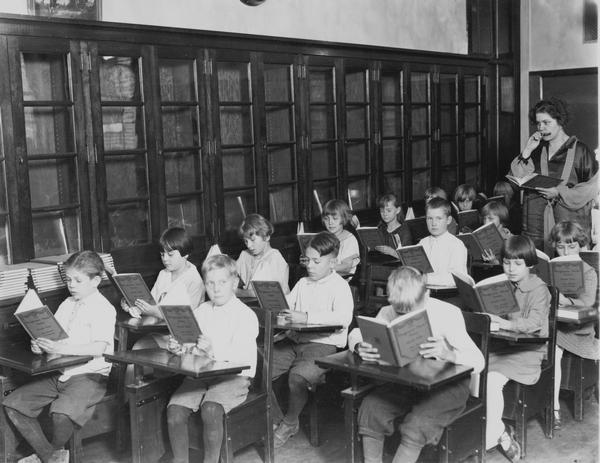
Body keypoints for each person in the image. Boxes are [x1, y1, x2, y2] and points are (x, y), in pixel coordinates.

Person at [348, 266, 484, 463]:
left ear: (426, 295)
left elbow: (478, 361)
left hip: (449, 387)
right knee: (371, 409)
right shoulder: (388, 310)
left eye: (412, 311)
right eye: (399, 311)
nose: (404, 316)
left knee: (418, 423)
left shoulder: (448, 313)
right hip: (408, 382)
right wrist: (359, 345)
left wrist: (449, 354)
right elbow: (358, 333)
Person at [3, 251, 116, 463]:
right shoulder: (67, 304)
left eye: (78, 280)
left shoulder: (104, 308)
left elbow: (99, 347)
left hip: (90, 375)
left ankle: (48, 455)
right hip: (60, 371)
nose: (71, 284)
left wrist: (59, 348)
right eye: (68, 279)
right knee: (13, 404)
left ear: (96, 281)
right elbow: (54, 337)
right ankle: (51, 457)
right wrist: (41, 346)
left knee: (60, 414)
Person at [165, 255, 258, 463]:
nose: (216, 289)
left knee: (211, 408)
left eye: (222, 283)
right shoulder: (201, 311)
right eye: (210, 283)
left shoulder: (245, 315)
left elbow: (242, 358)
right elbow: (190, 347)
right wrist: (178, 347)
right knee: (175, 410)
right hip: (202, 376)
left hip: (234, 378)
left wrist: (212, 350)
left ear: (234, 283)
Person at [272, 231, 353, 448]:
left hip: (323, 345)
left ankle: (288, 423)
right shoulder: (302, 283)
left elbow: (343, 318)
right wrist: (279, 308)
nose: (310, 266)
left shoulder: (340, 286)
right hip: (294, 340)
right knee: (263, 365)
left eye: (317, 261)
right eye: (308, 260)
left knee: (298, 377)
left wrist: (306, 317)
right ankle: (277, 418)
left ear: (333, 262)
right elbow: (287, 306)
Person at [484, 235, 551, 462]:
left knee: (491, 381)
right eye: (506, 262)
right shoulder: (503, 285)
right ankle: (500, 431)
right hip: (504, 346)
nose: (510, 269)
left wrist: (506, 324)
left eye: (517, 264)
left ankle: (493, 437)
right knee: (473, 373)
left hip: (527, 352)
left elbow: (534, 324)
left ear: (530, 264)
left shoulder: (539, 289)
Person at [509, 98, 599, 251]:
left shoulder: (581, 150)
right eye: (538, 123)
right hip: (536, 226)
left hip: (570, 226)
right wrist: (527, 151)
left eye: (546, 122)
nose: (541, 128)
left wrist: (559, 192)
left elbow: (592, 188)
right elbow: (516, 179)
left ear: (560, 121)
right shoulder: (537, 149)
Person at [549, 221, 598, 429]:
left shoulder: (588, 271)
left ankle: (554, 408)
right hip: (555, 322)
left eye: (571, 246)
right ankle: (548, 401)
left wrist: (565, 301)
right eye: (561, 246)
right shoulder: (552, 267)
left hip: (578, 329)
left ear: (580, 245)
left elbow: (587, 304)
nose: (566, 251)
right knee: (548, 347)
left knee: (554, 349)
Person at [122, 227, 205, 349]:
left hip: (184, 341)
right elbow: (151, 302)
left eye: (170, 254)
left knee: (139, 351)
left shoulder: (194, 280)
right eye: (162, 254)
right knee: (137, 349)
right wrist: (132, 304)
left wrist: (154, 311)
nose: (165, 259)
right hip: (161, 332)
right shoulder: (163, 274)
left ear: (186, 254)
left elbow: (186, 320)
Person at [236, 213, 290, 297]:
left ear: (266, 237)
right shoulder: (245, 255)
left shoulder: (274, 258)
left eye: (252, 240)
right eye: (246, 241)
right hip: (251, 304)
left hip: (274, 307)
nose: (249, 245)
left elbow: (260, 293)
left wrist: (236, 292)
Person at [418, 197, 468, 287]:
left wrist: (426, 279)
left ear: (448, 220)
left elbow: (457, 279)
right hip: (422, 292)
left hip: (448, 296)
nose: (433, 223)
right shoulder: (422, 243)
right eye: (430, 218)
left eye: (439, 218)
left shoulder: (456, 245)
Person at [321, 199, 360, 276]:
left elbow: (346, 267)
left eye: (335, 218)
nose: (330, 223)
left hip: (343, 278)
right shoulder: (324, 237)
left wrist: (325, 269)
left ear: (343, 218)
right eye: (326, 219)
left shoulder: (349, 239)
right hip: (324, 275)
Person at [373, 193, 413, 258]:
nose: (385, 214)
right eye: (382, 211)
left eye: (389, 210)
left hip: (398, 267)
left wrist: (391, 252)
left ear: (398, 210)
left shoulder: (404, 230)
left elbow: (407, 258)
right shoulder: (380, 228)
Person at [479, 200, 513, 265]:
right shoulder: (482, 236)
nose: (486, 222)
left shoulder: (511, 240)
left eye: (490, 218)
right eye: (484, 218)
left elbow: (511, 267)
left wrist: (494, 262)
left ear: (501, 218)